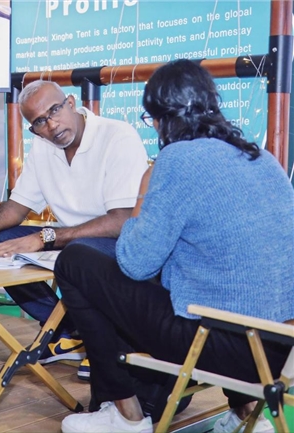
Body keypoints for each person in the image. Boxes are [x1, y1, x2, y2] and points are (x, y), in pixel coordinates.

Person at [55, 59, 294, 433]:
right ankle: (246, 413)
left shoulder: (178, 159)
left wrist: (143, 191)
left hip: (223, 348)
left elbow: (136, 263)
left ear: (161, 117)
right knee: (217, 283)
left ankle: (126, 415)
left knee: (75, 261)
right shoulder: (260, 158)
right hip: (281, 350)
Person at [0, 79, 148, 364]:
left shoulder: (117, 136)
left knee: (77, 253)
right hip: (71, 241)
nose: (51, 125)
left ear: (71, 103)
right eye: (39, 122)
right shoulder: (43, 146)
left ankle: (102, 340)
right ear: (33, 129)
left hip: (117, 242)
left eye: (54, 110)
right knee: (2, 241)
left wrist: (44, 238)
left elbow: (122, 221)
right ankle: (69, 331)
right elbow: (18, 205)